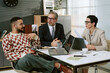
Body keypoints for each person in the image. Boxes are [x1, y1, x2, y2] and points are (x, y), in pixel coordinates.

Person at [2, 17, 72, 73]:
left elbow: (38, 46)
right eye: (21, 24)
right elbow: (9, 55)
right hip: (20, 62)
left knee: (55, 59)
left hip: (34, 58)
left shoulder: (25, 35)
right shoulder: (7, 38)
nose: (24, 25)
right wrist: (25, 54)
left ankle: (58, 66)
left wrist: (35, 36)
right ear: (14, 25)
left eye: (23, 24)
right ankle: (57, 65)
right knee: (28, 57)